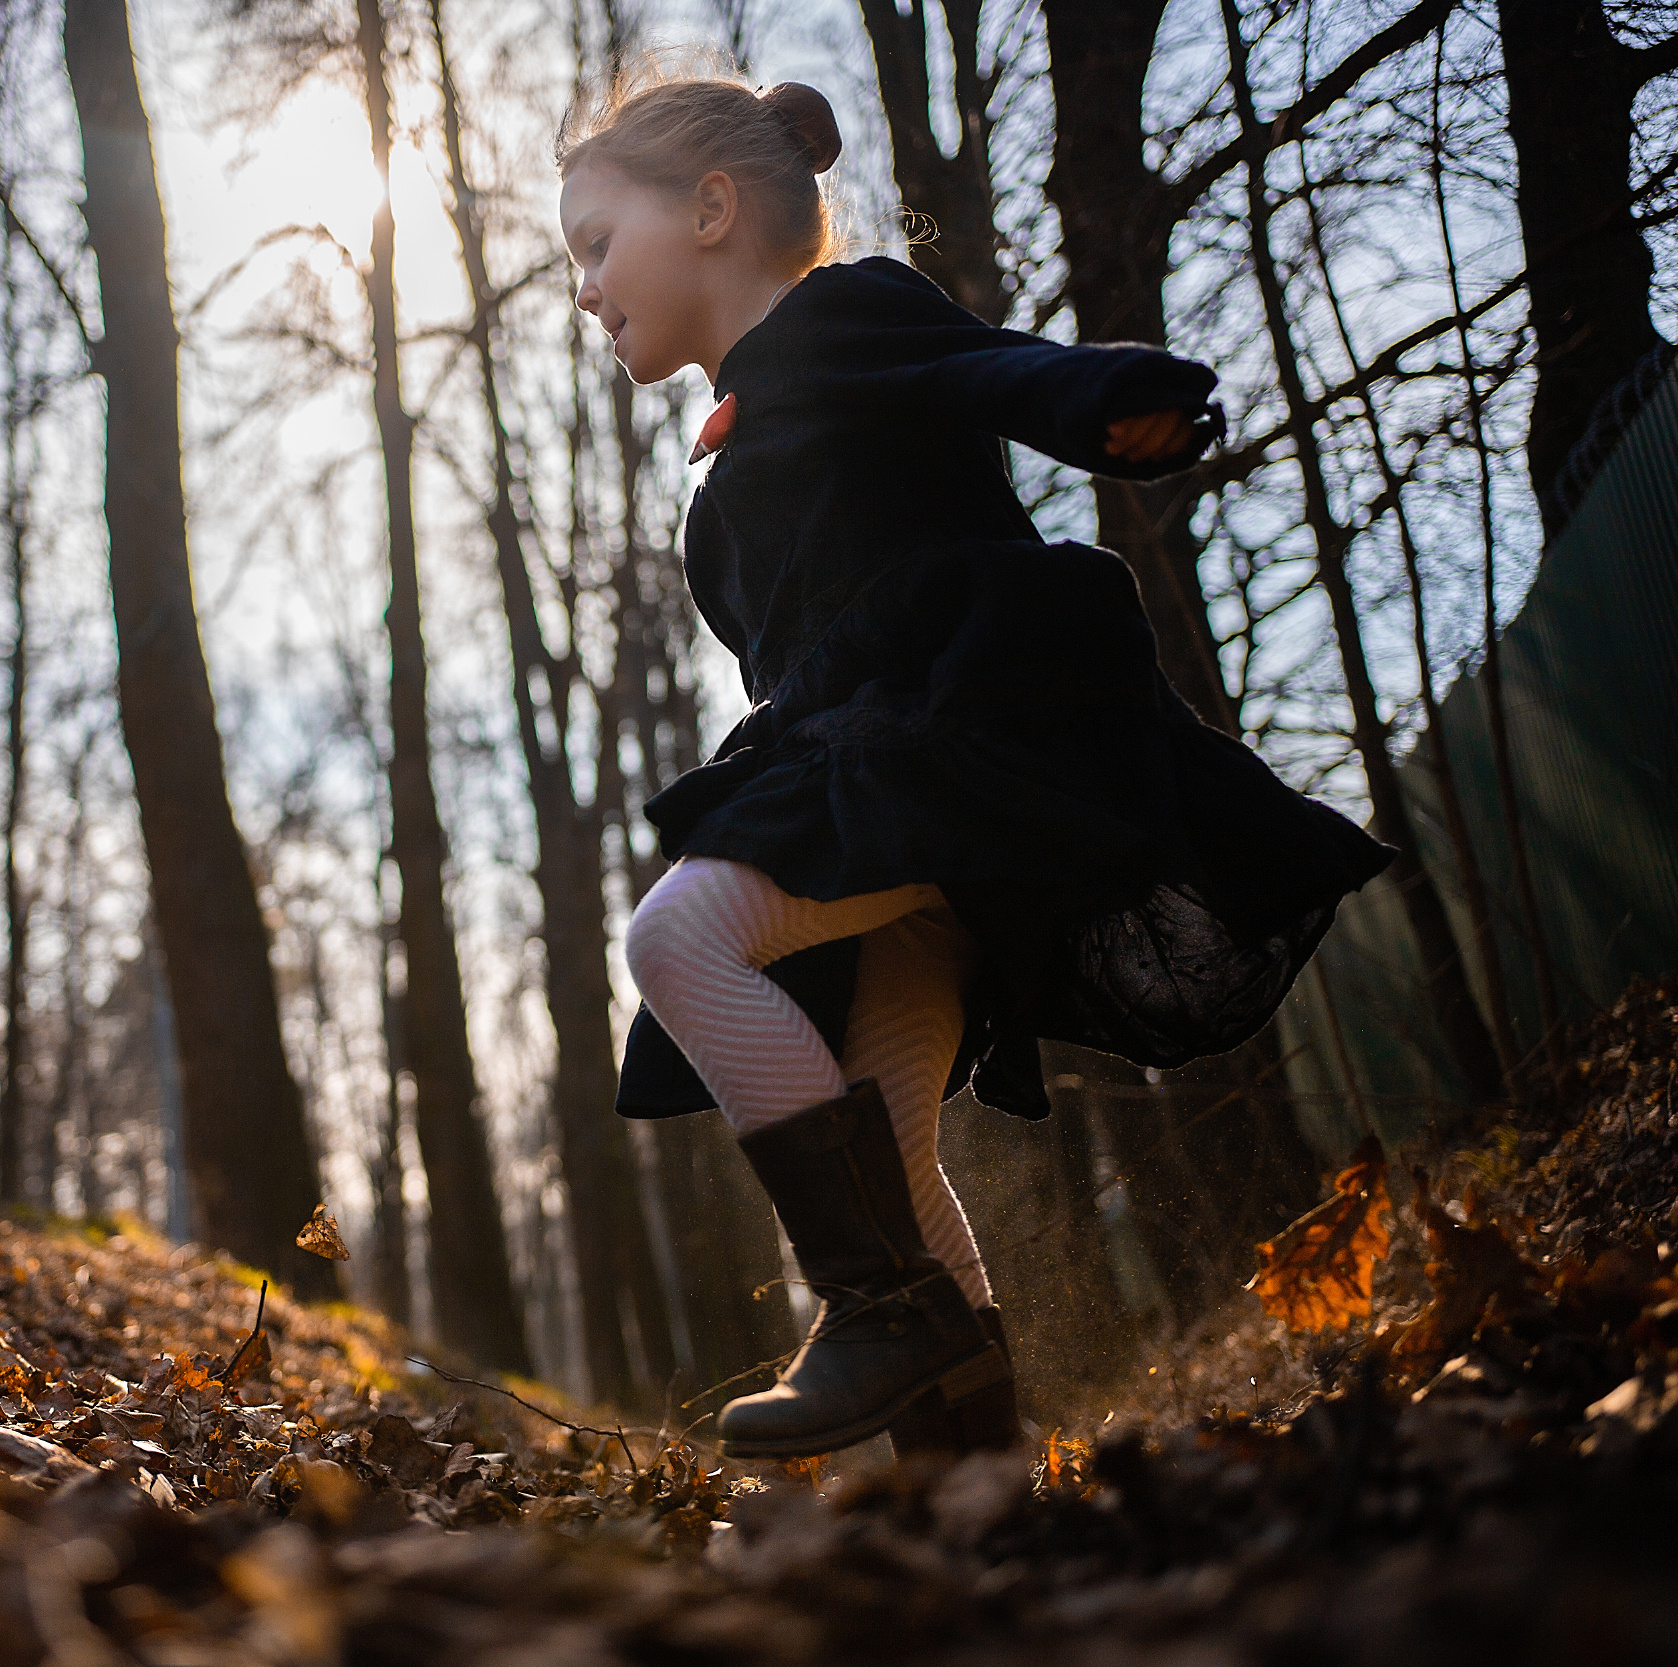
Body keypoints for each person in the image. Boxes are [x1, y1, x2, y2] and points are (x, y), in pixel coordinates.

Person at [556, 70, 1391, 1460]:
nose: (584, 290)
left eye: (595, 244)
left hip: (954, 747)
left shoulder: (843, 316)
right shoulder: (732, 458)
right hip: (888, 798)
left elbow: (989, 370)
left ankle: (883, 1312)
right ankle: (977, 1490)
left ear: (710, 209)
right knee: (888, 1139)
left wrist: (1112, 401)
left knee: (678, 937)